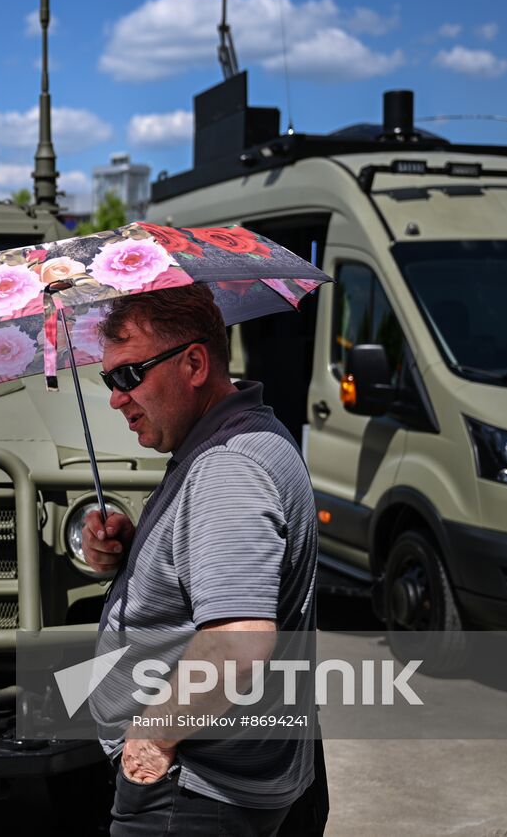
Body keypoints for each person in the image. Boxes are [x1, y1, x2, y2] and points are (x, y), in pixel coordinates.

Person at [82, 283, 328, 836]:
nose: (117, 397)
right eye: (108, 379)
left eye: (128, 375)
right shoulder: (244, 436)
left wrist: (151, 738)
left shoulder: (226, 468)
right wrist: (135, 549)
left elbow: (239, 640)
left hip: (194, 788)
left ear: (193, 363)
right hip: (232, 773)